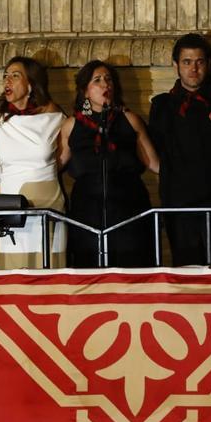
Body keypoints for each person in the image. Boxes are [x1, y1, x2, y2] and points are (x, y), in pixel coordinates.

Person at [148, 34, 211, 265]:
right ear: (175, 66)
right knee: (187, 271)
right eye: (187, 62)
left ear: (209, 64)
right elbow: (152, 152)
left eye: (199, 62)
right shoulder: (161, 106)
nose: (193, 69)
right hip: (179, 206)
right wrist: (173, 175)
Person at [60, 61, 159, 268]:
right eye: (97, 80)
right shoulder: (72, 125)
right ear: (85, 91)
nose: (105, 84)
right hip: (87, 211)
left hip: (128, 209)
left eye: (108, 79)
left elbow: (153, 163)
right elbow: (57, 163)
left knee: (131, 265)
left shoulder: (129, 119)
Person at [0, 56, 66, 269]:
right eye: (5, 76)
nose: (7, 81)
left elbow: (62, 157)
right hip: (12, 203)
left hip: (47, 202)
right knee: (14, 271)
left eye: (15, 76)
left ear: (31, 83)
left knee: (48, 269)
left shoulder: (54, 117)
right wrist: (3, 173)